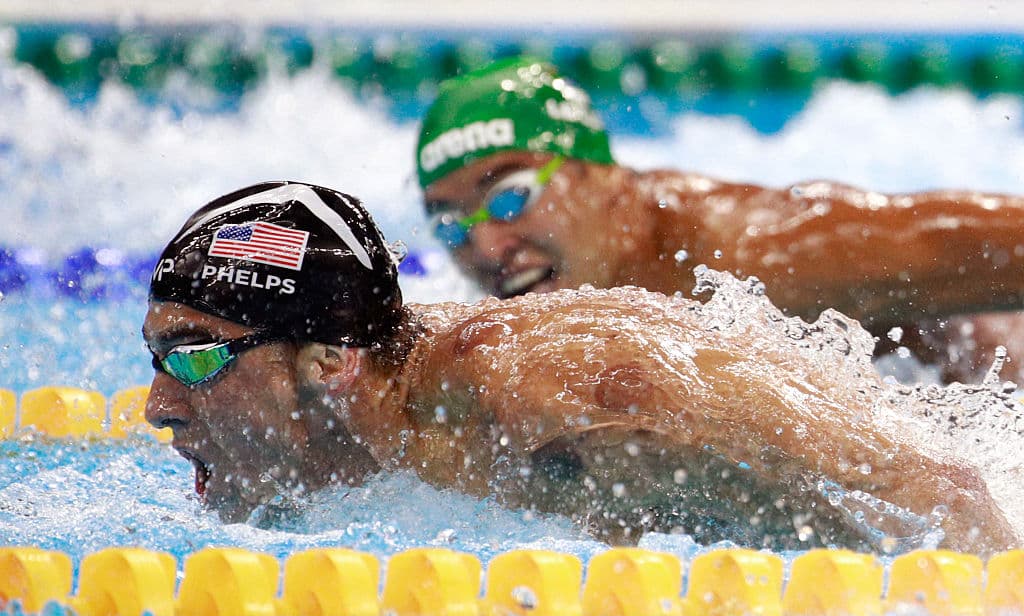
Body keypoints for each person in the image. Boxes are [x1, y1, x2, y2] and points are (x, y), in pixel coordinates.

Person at [143, 180, 1019, 554]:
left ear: (330, 358)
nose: (159, 407)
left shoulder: (546, 394)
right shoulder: (388, 414)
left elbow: (932, 496)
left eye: (197, 358)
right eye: (158, 361)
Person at [415, 57, 1024, 383]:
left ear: (601, 176)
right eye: (450, 224)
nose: (486, 245)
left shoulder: (747, 250)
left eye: (510, 197)